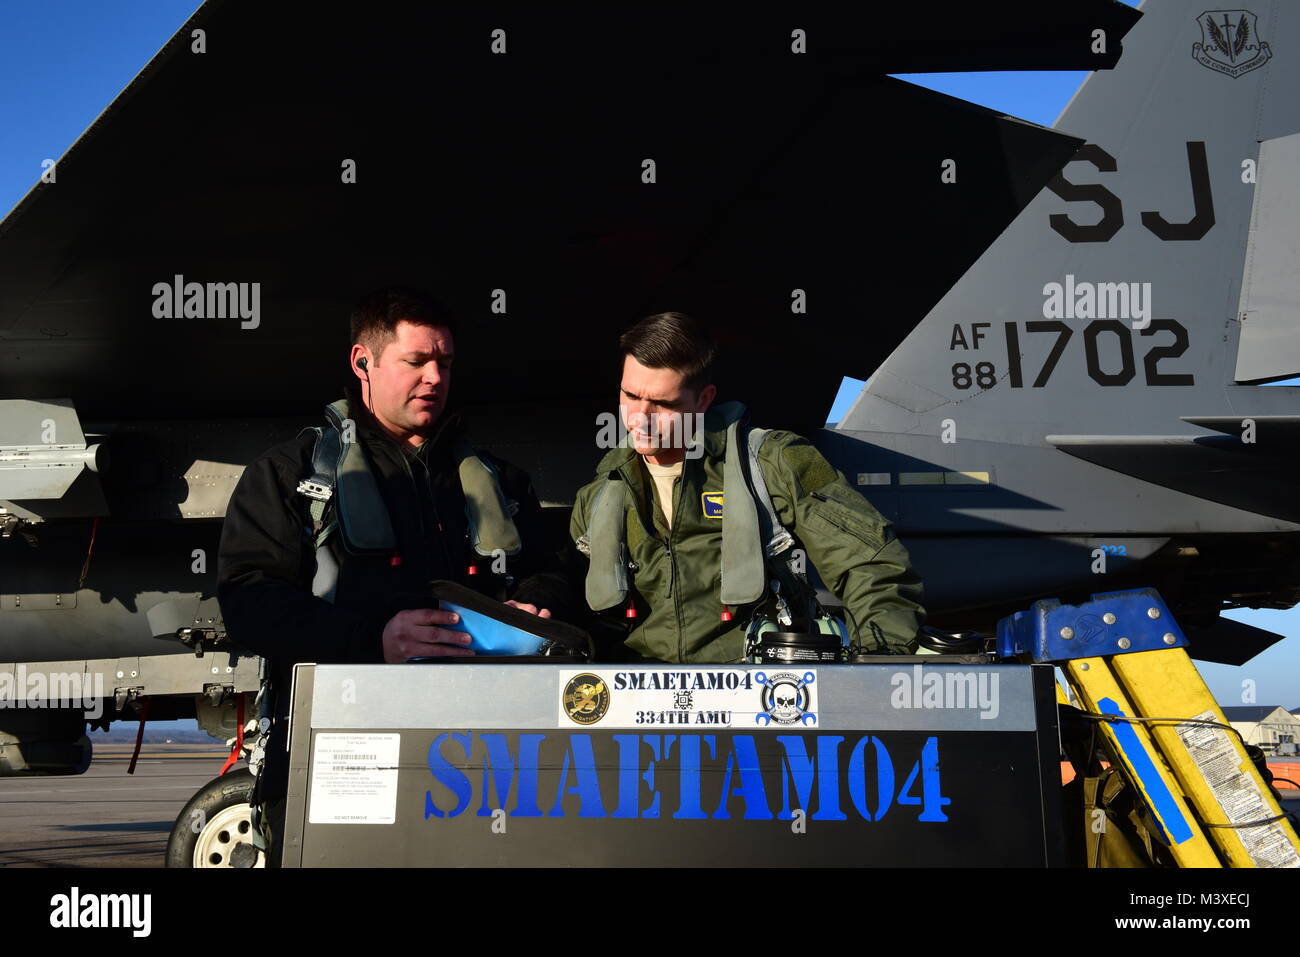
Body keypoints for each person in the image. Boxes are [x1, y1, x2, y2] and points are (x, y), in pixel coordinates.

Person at [217, 287, 569, 863]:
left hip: (480, 764)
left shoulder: (500, 482)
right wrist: (371, 641)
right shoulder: (291, 478)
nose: (435, 377)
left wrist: (535, 606)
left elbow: (551, 570)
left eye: (445, 363)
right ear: (364, 363)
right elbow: (248, 602)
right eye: (416, 361)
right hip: (346, 753)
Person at [570, 311, 923, 663]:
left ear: (704, 400)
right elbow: (572, 590)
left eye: (663, 404)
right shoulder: (601, 493)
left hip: (760, 697)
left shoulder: (774, 462)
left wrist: (880, 664)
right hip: (635, 699)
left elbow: (869, 563)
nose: (639, 418)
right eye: (630, 395)